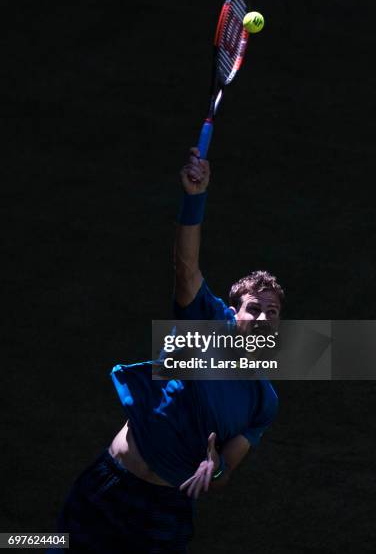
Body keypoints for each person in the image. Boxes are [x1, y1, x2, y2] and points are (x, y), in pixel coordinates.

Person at [52, 148, 284, 553]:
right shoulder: (206, 322)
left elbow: (227, 469)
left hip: (166, 510)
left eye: (273, 312)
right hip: (112, 480)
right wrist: (195, 197)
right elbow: (186, 268)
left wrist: (216, 466)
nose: (264, 317)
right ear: (233, 313)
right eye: (255, 307)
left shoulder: (263, 400)